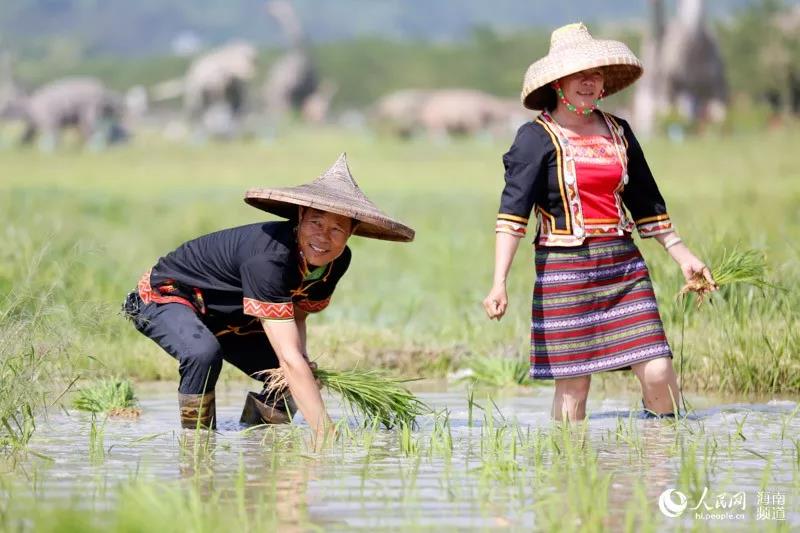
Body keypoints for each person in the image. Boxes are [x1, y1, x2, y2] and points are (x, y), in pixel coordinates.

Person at [482, 23, 717, 422]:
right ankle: (573, 475)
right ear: (558, 82)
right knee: (574, 386)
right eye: (579, 74)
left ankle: (662, 457)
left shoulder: (619, 132)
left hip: (623, 267)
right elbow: (512, 215)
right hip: (564, 272)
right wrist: (499, 281)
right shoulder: (534, 138)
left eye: (595, 74)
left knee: (659, 371)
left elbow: (647, 204)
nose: (588, 83)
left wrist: (683, 256)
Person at [122, 153, 414, 436]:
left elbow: (297, 314)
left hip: (229, 317)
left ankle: (258, 443)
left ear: (352, 232)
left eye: (337, 229)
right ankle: (197, 445)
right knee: (204, 354)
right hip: (168, 297)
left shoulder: (337, 261)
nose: (324, 237)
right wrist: (325, 433)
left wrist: (301, 362)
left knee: (296, 379)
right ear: (300, 217)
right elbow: (288, 357)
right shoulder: (268, 258)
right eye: (316, 223)